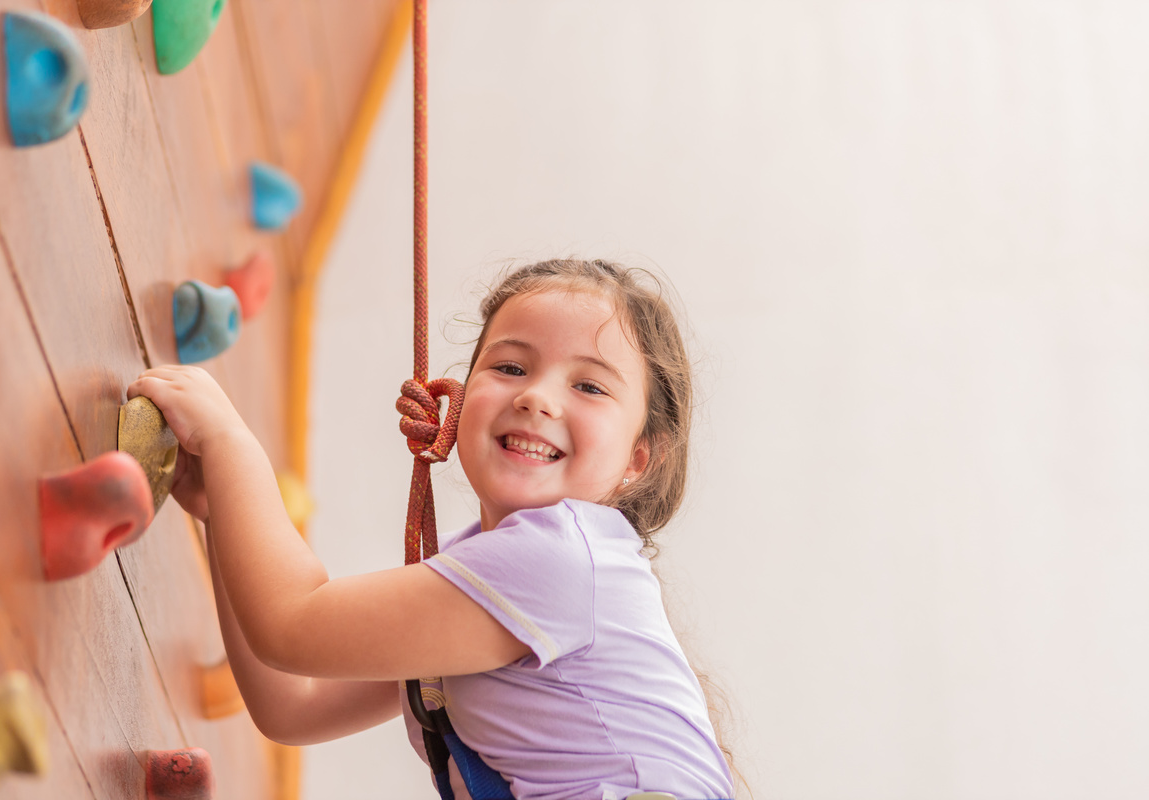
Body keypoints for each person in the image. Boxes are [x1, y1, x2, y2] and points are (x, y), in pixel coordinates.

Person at [128, 258, 736, 800]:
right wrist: (220, 511)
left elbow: (289, 624)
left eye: (589, 385)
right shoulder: (494, 574)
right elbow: (295, 704)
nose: (538, 397)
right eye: (510, 366)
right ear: (460, 397)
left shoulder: (562, 562)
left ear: (638, 458)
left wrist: (230, 442)